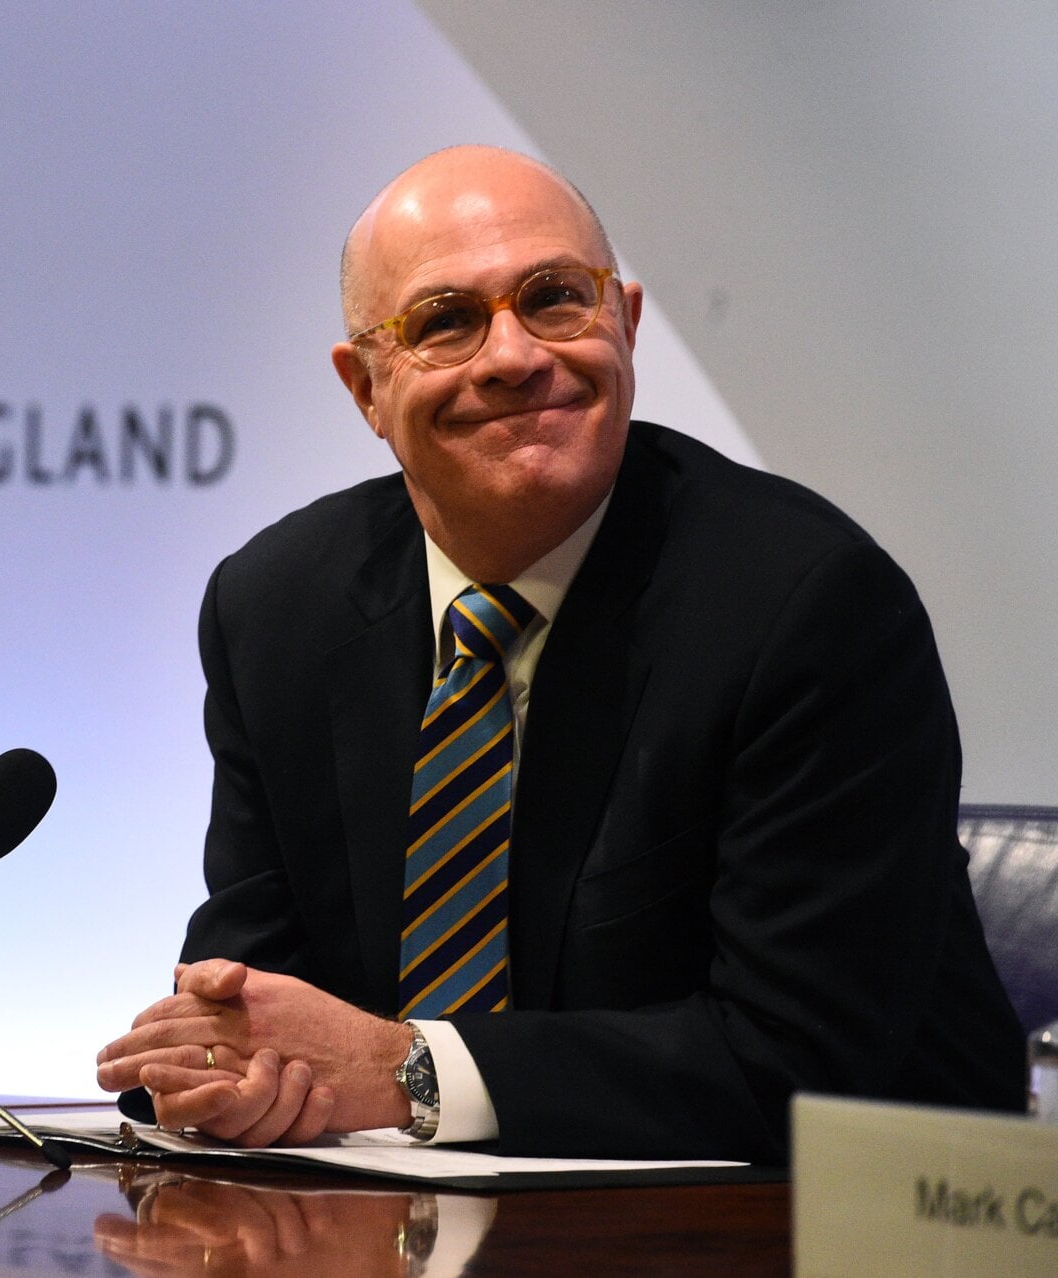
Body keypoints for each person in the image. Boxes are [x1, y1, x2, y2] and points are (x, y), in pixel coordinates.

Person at [94, 145, 1022, 1161]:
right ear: (364, 387)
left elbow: (794, 1062)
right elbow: (255, 986)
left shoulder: (807, 607)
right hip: (392, 1232)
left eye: (553, 300)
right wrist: (231, 1073)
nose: (512, 356)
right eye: (443, 322)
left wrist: (406, 1073)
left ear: (624, 323)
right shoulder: (276, 609)